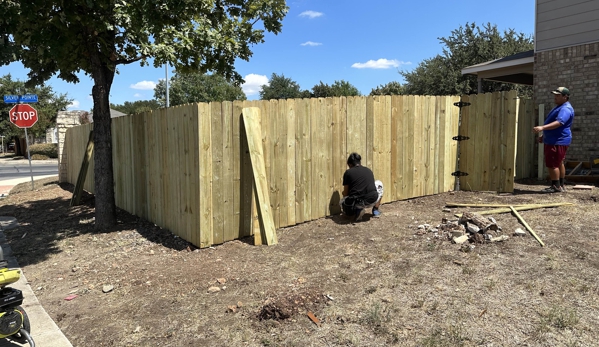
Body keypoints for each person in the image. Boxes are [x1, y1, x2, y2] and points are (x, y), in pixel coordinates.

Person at [533, 87, 575, 193]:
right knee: (559, 162)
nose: (555, 97)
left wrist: (542, 128)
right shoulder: (559, 107)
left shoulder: (565, 109)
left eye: (558, 95)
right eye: (555, 95)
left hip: (557, 141)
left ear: (565, 97)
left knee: (552, 164)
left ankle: (555, 186)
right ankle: (561, 184)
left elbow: (559, 123)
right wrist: (544, 136)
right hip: (555, 139)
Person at [339, 152, 384, 221]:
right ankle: (375, 210)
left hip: (357, 203)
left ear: (350, 164)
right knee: (379, 183)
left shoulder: (348, 172)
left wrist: (344, 196)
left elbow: (346, 192)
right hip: (372, 200)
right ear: (359, 162)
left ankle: (357, 211)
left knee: (342, 201)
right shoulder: (368, 170)